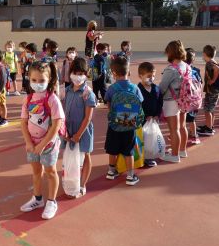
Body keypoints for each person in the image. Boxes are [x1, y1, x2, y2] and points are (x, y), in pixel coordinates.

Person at [20, 60, 65, 220]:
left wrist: (43, 144)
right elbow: (24, 122)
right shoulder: (28, 99)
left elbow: (56, 124)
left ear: (49, 80)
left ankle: (52, 201)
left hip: (48, 144)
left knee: (51, 172)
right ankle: (37, 199)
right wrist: (28, 142)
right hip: (32, 144)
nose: (37, 84)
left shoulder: (52, 99)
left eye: (41, 81)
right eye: (34, 80)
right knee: (36, 172)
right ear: (29, 79)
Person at [104, 56, 144, 185]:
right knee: (129, 151)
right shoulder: (135, 88)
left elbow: (108, 105)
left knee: (113, 149)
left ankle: (111, 171)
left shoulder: (112, 89)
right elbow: (140, 104)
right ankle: (130, 176)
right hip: (129, 124)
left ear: (114, 73)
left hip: (114, 124)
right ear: (129, 72)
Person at [60, 57, 96, 197]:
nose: (78, 76)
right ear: (70, 73)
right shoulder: (65, 91)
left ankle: (82, 184)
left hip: (83, 131)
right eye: (75, 72)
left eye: (81, 73)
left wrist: (78, 135)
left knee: (85, 155)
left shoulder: (88, 93)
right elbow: (61, 113)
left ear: (86, 74)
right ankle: (70, 182)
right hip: (68, 130)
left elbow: (88, 117)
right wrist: (64, 132)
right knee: (70, 157)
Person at [158, 40, 188, 162]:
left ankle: (174, 156)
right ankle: (182, 150)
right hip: (184, 99)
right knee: (182, 126)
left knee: (174, 129)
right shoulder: (185, 66)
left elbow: (162, 87)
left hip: (171, 101)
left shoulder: (171, 69)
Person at [137, 62, 162, 167]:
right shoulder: (137, 89)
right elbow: (137, 106)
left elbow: (160, 102)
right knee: (141, 138)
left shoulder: (156, 89)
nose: (151, 78)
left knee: (151, 139)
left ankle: (149, 157)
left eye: (153, 76)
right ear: (140, 76)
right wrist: (144, 116)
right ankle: (139, 157)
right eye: (148, 76)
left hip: (153, 120)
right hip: (142, 120)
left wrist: (157, 115)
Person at [197, 45, 219, 136]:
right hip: (215, 90)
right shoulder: (213, 61)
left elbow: (217, 69)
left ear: (204, 54)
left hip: (211, 90)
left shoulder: (209, 63)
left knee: (207, 109)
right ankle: (210, 125)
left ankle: (208, 129)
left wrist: (213, 80)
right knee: (211, 109)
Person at [184, 48, 202, 144]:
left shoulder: (184, 70)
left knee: (183, 120)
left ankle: (187, 136)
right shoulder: (196, 70)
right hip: (196, 98)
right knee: (192, 119)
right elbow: (200, 83)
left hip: (186, 99)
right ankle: (194, 135)